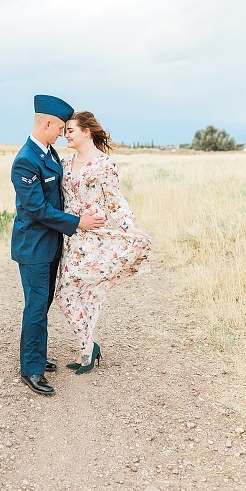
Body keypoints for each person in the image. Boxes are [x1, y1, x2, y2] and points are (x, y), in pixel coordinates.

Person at [10, 95, 105, 396]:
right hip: (34, 248)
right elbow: (37, 209)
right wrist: (78, 223)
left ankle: (34, 354)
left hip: (51, 245)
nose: (63, 134)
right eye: (61, 128)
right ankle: (32, 370)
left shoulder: (48, 153)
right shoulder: (26, 160)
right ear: (47, 123)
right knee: (36, 308)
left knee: (43, 304)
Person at [55, 111, 151, 373]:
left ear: (86, 131)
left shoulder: (104, 164)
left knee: (77, 294)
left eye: (71, 131)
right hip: (72, 238)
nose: (66, 136)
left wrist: (130, 228)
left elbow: (115, 201)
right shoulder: (64, 164)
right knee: (66, 297)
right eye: (64, 132)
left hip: (96, 239)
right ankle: (89, 346)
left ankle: (87, 350)